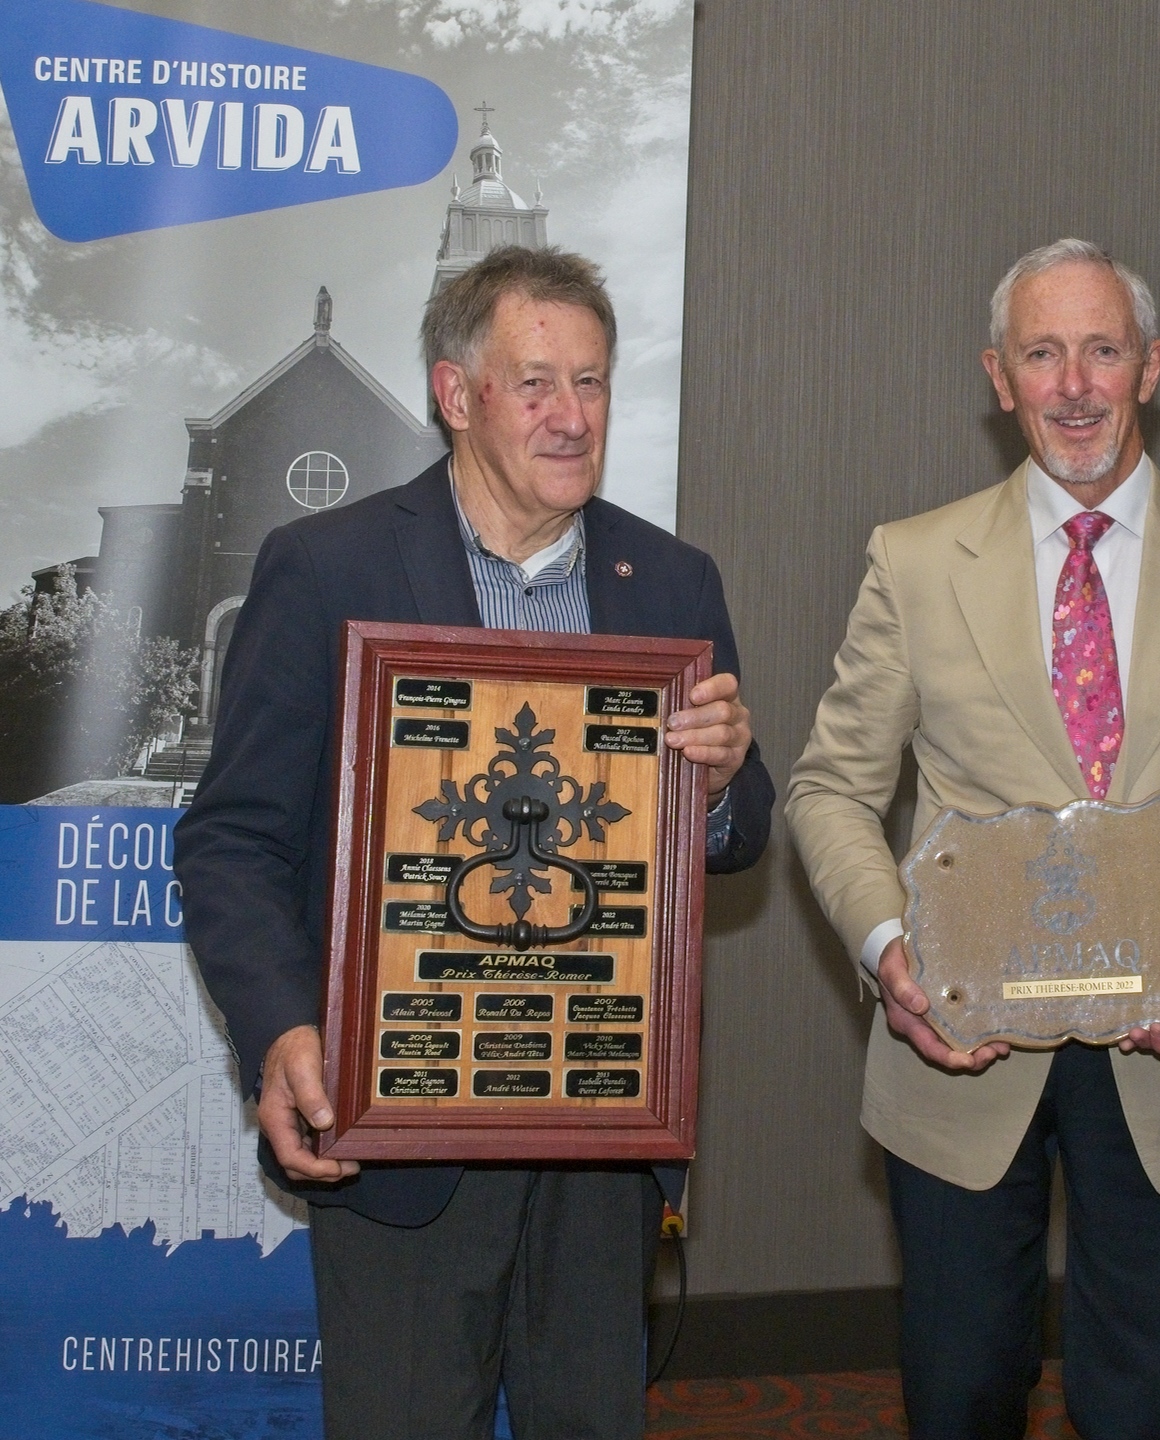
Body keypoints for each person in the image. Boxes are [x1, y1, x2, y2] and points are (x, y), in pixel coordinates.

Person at [174, 245, 775, 1440]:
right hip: (402, 1136)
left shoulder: (669, 582)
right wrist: (285, 1028)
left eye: (593, 384)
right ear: (457, 395)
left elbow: (739, 833)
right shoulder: (326, 568)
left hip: (600, 1139)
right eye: (537, 383)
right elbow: (231, 841)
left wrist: (715, 779)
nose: (571, 416)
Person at [787, 237, 1160, 1439]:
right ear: (1000, 376)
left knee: (1150, 1402)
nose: (1074, 384)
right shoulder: (915, 559)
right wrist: (890, 953)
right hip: (957, 1047)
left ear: (1152, 367)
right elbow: (830, 789)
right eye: (1043, 353)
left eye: (1102, 350)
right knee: (963, 1389)